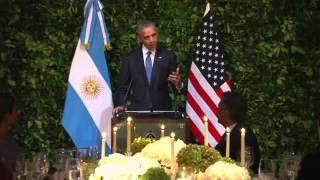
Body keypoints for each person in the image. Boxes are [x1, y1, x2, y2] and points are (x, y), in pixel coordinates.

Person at [113, 20, 182, 112]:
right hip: (138, 112)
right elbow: (123, 87)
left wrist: (178, 84)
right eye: (147, 37)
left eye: (154, 35)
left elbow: (176, 88)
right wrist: (120, 105)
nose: (151, 40)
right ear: (140, 38)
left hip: (162, 112)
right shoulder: (130, 59)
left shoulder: (168, 56)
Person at [215, 91, 260, 174]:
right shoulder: (230, 132)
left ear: (226, 111)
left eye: (219, 107)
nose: (216, 110)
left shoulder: (245, 136)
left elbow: (249, 168)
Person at [0, 93, 23, 179]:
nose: (18, 113)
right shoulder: (5, 144)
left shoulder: (9, 139)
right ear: (7, 115)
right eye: (15, 109)